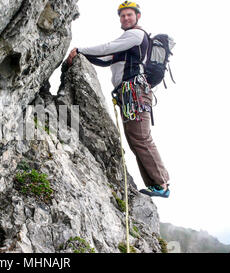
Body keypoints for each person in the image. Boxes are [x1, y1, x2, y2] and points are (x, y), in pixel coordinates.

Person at [66, 1, 170, 198]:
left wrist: (79, 49)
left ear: (137, 17)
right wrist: (82, 56)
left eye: (129, 15)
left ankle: (162, 183)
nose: (125, 18)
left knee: (140, 137)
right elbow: (106, 58)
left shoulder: (136, 35)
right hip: (130, 93)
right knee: (134, 139)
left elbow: (107, 47)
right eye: (122, 15)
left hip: (135, 92)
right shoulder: (128, 41)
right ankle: (156, 184)